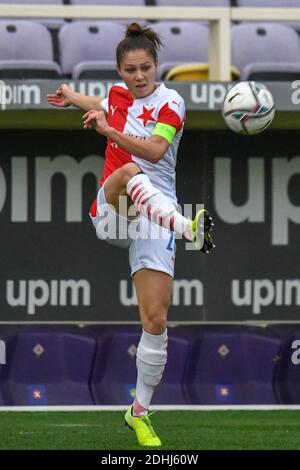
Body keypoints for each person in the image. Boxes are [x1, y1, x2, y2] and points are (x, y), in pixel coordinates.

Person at [47, 22, 214, 447]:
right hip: (114, 210)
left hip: (150, 216)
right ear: (120, 72)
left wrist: (109, 131)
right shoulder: (118, 96)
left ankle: (138, 411)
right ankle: (183, 225)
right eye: (130, 70)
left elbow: (157, 151)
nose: (139, 77)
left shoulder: (171, 102)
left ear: (156, 67)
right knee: (126, 169)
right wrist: (71, 99)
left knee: (155, 321)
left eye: (145, 68)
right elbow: (101, 102)